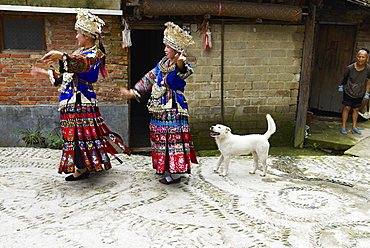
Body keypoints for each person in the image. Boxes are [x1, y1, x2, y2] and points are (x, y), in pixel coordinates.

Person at [31, 9, 130, 181]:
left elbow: (82, 66)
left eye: (78, 34)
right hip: (70, 102)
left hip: (81, 103)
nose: (76, 37)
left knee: (81, 136)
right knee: (77, 136)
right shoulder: (77, 54)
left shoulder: (94, 55)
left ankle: (82, 168)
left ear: (87, 36)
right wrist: (44, 73)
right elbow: (66, 75)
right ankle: (86, 165)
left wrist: (62, 56)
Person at [120, 22, 198, 184]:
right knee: (160, 137)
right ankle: (166, 168)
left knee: (173, 139)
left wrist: (180, 63)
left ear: (176, 49)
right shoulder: (161, 65)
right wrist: (133, 92)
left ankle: (176, 173)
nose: (165, 49)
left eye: (168, 46)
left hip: (173, 109)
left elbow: (184, 72)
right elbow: (148, 78)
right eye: (165, 46)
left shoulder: (181, 65)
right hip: (158, 108)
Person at [338, 49, 370, 135]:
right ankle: (343, 127)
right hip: (349, 90)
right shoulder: (350, 68)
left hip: (360, 91)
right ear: (356, 57)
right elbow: (345, 78)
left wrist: (367, 93)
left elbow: (368, 81)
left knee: (356, 109)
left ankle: (354, 127)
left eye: (363, 57)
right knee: (347, 108)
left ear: (367, 59)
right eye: (359, 56)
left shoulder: (368, 69)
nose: (360, 59)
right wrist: (342, 85)